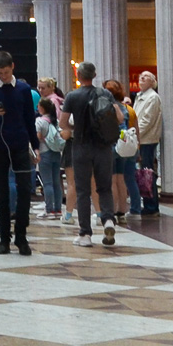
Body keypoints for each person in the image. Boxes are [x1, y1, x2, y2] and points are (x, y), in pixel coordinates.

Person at [0, 52, 39, 256]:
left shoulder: (23, 89)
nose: (3, 76)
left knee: (24, 190)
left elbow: (30, 120)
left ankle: (21, 237)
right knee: (1, 193)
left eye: (6, 72)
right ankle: (4, 238)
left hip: (20, 144)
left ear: (13, 67)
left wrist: (36, 146)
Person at [59, 61, 118, 247]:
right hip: (103, 146)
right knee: (104, 187)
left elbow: (62, 123)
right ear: (94, 75)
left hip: (81, 146)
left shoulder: (72, 96)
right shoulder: (105, 93)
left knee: (83, 190)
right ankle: (108, 219)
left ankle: (85, 234)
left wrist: (75, 128)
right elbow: (119, 117)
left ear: (78, 75)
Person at [103, 79, 138, 222]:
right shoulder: (126, 108)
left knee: (111, 180)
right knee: (120, 179)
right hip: (122, 145)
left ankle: (111, 210)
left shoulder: (107, 107)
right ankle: (122, 211)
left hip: (110, 145)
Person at [133, 70, 163, 215]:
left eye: (146, 77)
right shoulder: (140, 96)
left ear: (152, 81)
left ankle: (152, 206)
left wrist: (135, 135)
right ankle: (147, 204)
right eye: (141, 76)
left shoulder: (153, 97)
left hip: (147, 140)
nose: (141, 78)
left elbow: (147, 121)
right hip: (140, 139)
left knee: (147, 172)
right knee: (142, 173)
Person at [36, 96, 66, 220]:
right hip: (56, 153)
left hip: (44, 152)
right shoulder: (55, 121)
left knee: (47, 183)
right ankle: (58, 209)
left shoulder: (40, 121)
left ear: (42, 108)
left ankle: (49, 210)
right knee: (56, 182)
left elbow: (37, 135)